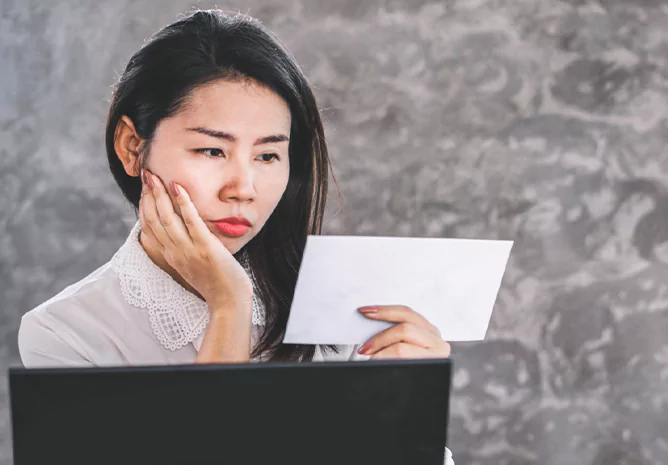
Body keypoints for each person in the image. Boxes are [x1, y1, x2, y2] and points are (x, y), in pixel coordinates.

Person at [17, 9, 454, 464]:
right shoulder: (66, 335)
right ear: (132, 146)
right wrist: (229, 305)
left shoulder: (341, 303)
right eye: (211, 150)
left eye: (267, 156)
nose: (243, 189)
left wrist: (414, 413)